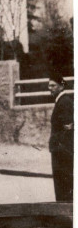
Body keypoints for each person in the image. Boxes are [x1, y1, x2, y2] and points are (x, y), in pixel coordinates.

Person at [48, 73, 73, 202]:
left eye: (53, 85)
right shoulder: (61, 101)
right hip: (60, 150)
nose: (50, 88)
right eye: (49, 86)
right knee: (62, 182)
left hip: (62, 151)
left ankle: (65, 212)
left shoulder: (65, 102)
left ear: (61, 86)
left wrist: (60, 147)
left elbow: (68, 128)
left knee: (63, 183)